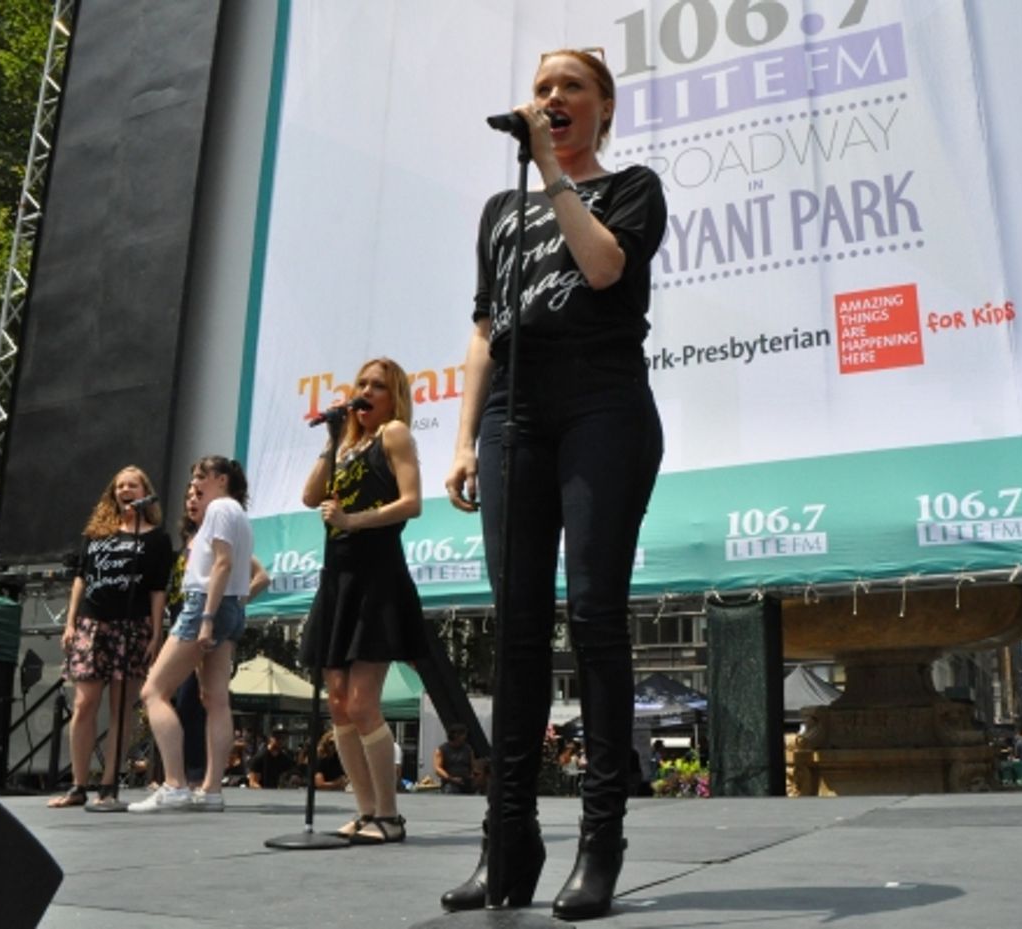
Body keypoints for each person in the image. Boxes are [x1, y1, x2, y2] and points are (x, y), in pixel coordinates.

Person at [441, 47, 667, 920]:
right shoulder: (500, 212)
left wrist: (551, 168)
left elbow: (605, 268)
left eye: (571, 88)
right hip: (514, 420)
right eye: (542, 89)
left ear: (603, 108)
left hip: (604, 408)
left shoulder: (631, 187)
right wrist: (461, 438)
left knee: (595, 615)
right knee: (517, 631)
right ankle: (508, 839)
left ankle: (600, 838)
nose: (552, 99)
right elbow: (484, 329)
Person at [299, 356, 426, 845]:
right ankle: (366, 810)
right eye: (362, 384)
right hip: (338, 581)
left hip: (376, 578)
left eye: (378, 386)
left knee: (362, 701)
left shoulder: (394, 434)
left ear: (394, 397)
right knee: (337, 703)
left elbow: (411, 502)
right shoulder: (346, 444)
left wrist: (354, 521)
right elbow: (311, 497)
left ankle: (390, 816)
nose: (366, 392)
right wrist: (332, 439)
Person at [129, 456, 254, 813]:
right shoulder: (239, 515)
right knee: (216, 699)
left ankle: (174, 783)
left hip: (207, 604)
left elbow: (223, 563)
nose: (195, 485)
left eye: (200, 477)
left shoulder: (219, 510)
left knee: (154, 691)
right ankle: (211, 789)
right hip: (231, 606)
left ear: (220, 478)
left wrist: (207, 618)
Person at [50, 466, 170, 808]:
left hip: (132, 625)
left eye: (132, 484)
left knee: (122, 707)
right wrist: (71, 622)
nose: (126, 489)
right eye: (120, 485)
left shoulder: (156, 539)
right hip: (93, 623)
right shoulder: (96, 534)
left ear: (144, 490)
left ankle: (108, 784)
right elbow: (80, 578)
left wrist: (156, 633)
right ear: (113, 493)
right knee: (84, 702)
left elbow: (158, 589)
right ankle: (77, 784)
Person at [434, 723, 476, 795]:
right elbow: (438, 768)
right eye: (463, 735)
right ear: (456, 735)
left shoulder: (468, 749)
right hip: (450, 784)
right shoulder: (441, 750)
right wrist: (451, 778)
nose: (465, 737)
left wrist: (472, 775)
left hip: (466, 783)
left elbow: (473, 765)